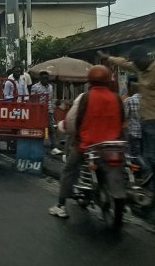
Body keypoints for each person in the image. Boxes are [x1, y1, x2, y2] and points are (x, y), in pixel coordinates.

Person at [101, 45, 155, 216]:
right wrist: (108, 58)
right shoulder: (141, 68)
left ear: (145, 58)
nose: (135, 64)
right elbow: (124, 63)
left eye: (137, 61)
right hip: (146, 122)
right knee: (154, 162)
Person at [49, 65, 124, 219]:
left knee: (69, 170)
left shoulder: (85, 97)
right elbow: (123, 121)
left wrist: (64, 127)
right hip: (113, 146)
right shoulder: (117, 98)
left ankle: (61, 205)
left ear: (89, 80)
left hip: (88, 145)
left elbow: (73, 121)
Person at [31, 71, 59, 155]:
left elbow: (51, 99)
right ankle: (37, 146)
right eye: (43, 78)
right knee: (38, 129)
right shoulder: (35, 87)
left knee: (51, 129)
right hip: (39, 111)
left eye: (47, 78)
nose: (45, 80)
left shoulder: (50, 87)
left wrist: (53, 111)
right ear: (40, 78)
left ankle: (54, 147)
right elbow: (33, 100)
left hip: (49, 110)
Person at [123, 81, 144, 160]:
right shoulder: (146, 99)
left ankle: (143, 170)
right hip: (145, 132)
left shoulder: (129, 100)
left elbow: (125, 115)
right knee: (143, 153)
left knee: (134, 154)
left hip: (134, 132)